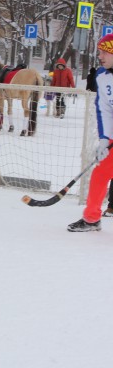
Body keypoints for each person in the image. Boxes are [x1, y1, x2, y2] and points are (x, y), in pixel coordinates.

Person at [68, 33, 113, 232]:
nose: (100, 56)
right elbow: (104, 108)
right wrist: (105, 138)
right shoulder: (102, 77)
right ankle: (92, 219)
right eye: (99, 52)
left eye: (105, 52)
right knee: (100, 173)